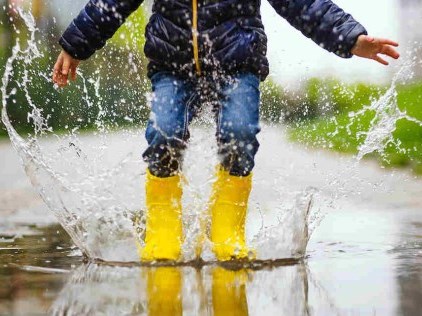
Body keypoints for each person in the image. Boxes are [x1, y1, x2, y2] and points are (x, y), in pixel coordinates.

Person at [53, 0, 399, 262]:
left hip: (237, 65)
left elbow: (301, 3)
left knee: (240, 134)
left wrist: (350, 37)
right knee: (165, 135)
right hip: (171, 66)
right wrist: (76, 44)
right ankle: (163, 228)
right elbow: (113, 3)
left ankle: (227, 228)